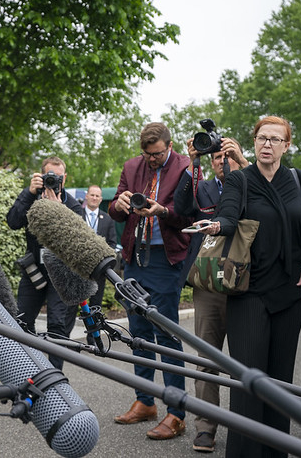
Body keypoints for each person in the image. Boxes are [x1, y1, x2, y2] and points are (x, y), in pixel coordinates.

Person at [196, 116, 301, 458]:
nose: (267, 144)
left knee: (280, 383)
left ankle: (275, 453)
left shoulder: (298, 180)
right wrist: (216, 225)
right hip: (249, 292)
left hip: (290, 291)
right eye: (261, 138)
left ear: (286, 145)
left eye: (274, 139)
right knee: (249, 383)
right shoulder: (239, 179)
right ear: (254, 143)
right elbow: (229, 214)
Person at [108, 122, 193, 441]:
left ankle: (175, 412)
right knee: (139, 333)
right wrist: (119, 204)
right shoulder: (132, 166)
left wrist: (163, 211)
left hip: (166, 258)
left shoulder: (185, 166)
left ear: (169, 146)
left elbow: (191, 215)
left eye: (157, 154)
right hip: (134, 257)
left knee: (166, 333)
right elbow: (115, 210)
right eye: (147, 154)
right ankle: (145, 401)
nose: (152, 160)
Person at [174, 138, 248, 453]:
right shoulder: (202, 187)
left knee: (246, 361)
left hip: (246, 282)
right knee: (205, 358)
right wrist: (193, 163)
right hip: (208, 282)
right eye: (216, 157)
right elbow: (181, 208)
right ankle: (205, 428)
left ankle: (246, 428)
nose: (222, 161)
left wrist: (242, 164)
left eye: (226, 155)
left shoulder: (250, 181)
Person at [6, 156, 82, 370]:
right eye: (50, 177)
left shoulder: (73, 206)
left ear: (64, 178)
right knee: (20, 320)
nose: (54, 181)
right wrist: (28, 193)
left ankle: (54, 376)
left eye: (58, 177)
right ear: (40, 176)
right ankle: (29, 370)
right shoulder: (32, 199)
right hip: (34, 273)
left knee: (57, 324)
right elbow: (13, 222)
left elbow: (78, 239)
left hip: (61, 274)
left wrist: (59, 210)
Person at [82, 184, 117, 309]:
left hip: (98, 270)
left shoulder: (108, 219)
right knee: (71, 307)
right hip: (78, 268)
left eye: (97, 196)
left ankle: (95, 329)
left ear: (101, 199)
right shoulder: (76, 215)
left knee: (95, 306)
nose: (94, 198)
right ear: (86, 196)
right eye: (92, 195)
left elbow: (112, 243)